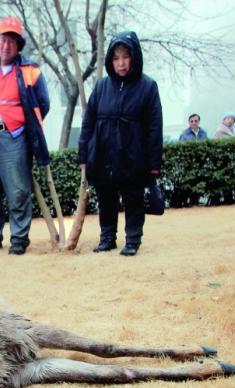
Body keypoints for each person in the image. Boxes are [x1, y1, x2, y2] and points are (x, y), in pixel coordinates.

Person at [0, 16, 50, 256]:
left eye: (12, 40)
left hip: (14, 138)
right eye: (4, 39)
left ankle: (19, 239)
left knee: (18, 190)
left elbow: (43, 104)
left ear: (19, 45)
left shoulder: (31, 72)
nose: (7, 45)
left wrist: (23, 126)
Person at [78, 31, 163, 256]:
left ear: (134, 57)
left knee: (133, 199)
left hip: (133, 156)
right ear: (110, 61)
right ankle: (107, 238)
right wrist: (83, 156)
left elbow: (155, 129)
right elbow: (88, 123)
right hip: (103, 155)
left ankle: (133, 240)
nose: (121, 63)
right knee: (106, 199)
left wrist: (154, 164)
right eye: (116, 58)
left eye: (125, 57)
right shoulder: (101, 87)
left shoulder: (148, 87)